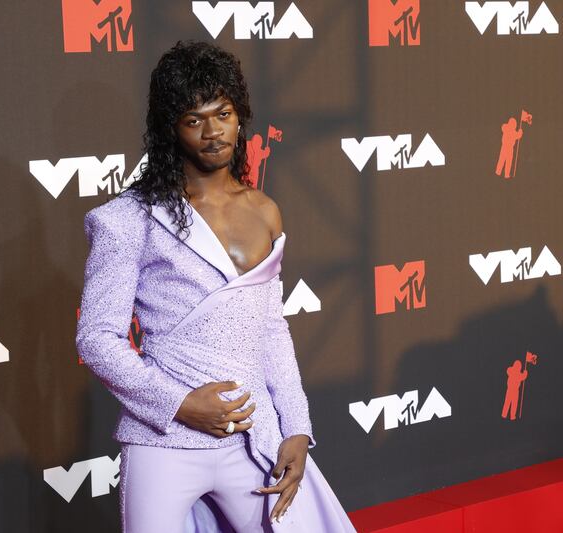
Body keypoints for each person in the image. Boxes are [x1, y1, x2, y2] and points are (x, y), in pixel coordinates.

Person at [76, 40, 356, 532]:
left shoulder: (265, 210)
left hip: (251, 435)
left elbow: (270, 328)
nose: (212, 132)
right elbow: (96, 339)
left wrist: (296, 428)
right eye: (193, 119)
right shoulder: (128, 219)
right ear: (171, 129)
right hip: (163, 440)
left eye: (222, 113)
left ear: (240, 115)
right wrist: (180, 404)